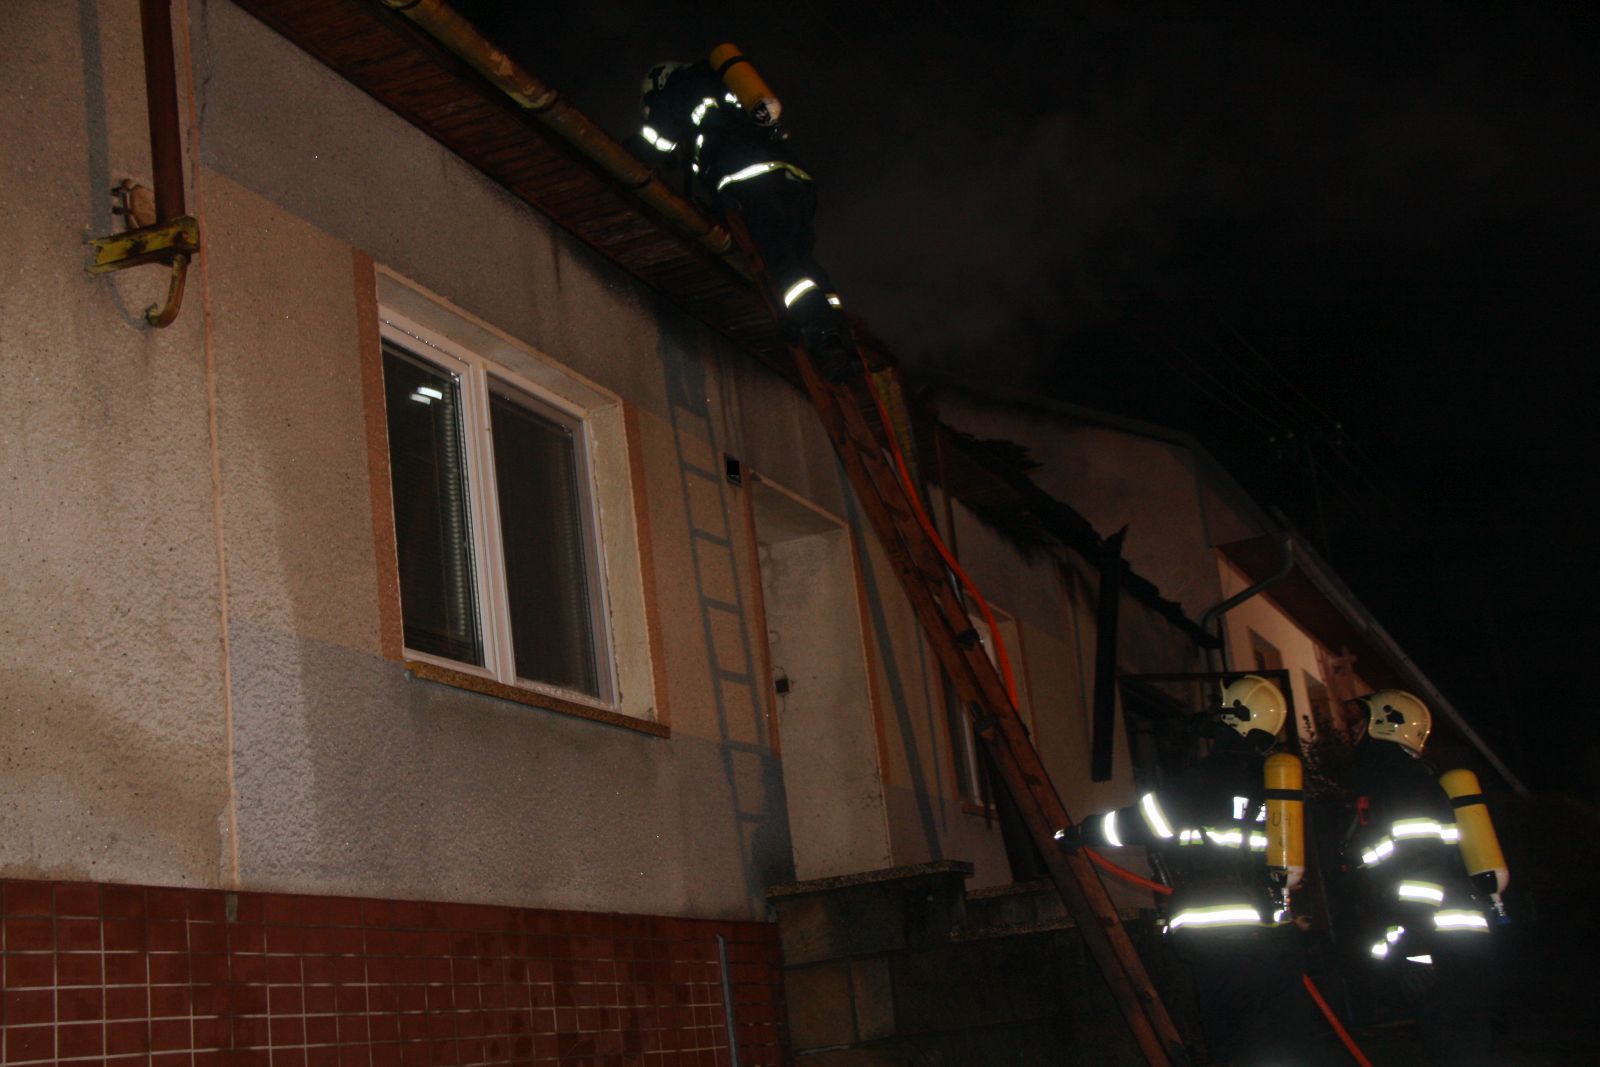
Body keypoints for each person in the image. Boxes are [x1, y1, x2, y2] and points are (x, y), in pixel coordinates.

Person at [1057, 675, 1343, 1065]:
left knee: (1234, 1047)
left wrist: (1079, 833)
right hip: (1277, 937)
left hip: (1219, 941)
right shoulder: (1282, 784)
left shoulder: (1204, 781)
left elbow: (1137, 823)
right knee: (1285, 1043)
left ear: (1234, 720)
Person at [638, 56, 859, 381]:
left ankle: (821, 336)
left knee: (780, 259)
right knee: (801, 258)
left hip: (749, 178)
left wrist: (635, 149)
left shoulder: (680, 86)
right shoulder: (721, 85)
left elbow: (660, 139)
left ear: (659, 82)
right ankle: (839, 335)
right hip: (793, 179)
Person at [1333, 689, 1497, 1065]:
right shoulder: (1395, 779)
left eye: (1360, 721)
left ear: (1385, 724)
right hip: (1443, 937)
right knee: (1456, 1042)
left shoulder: (1402, 783)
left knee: (1456, 1045)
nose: (1353, 730)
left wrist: (1418, 950)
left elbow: (1422, 869)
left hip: (1440, 940)